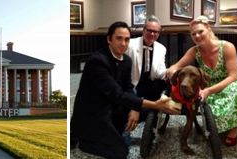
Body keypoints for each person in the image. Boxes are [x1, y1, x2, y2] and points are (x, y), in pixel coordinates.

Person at [70, 21, 180, 159]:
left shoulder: (126, 60)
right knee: (121, 152)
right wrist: (154, 104)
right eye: (119, 38)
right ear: (109, 39)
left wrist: (135, 108)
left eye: (126, 39)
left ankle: (116, 128)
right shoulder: (97, 61)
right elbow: (117, 94)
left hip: (113, 106)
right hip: (95, 113)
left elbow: (128, 87)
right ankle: (81, 140)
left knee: (146, 111)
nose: (123, 43)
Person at [164, 15, 237, 147]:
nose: (197, 36)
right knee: (206, 104)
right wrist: (171, 70)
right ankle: (216, 126)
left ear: (208, 29)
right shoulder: (195, 51)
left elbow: (233, 76)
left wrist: (209, 90)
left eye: (200, 31)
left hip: (229, 82)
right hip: (209, 83)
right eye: (193, 33)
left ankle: (233, 127)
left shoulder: (227, 47)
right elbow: (177, 65)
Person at [115, 15, 168, 136]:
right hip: (131, 85)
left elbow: (159, 70)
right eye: (149, 30)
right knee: (122, 108)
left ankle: (146, 110)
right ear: (143, 30)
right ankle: (139, 109)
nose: (152, 34)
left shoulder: (161, 48)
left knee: (162, 84)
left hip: (147, 84)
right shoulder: (130, 45)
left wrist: (168, 73)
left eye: (156, 31)